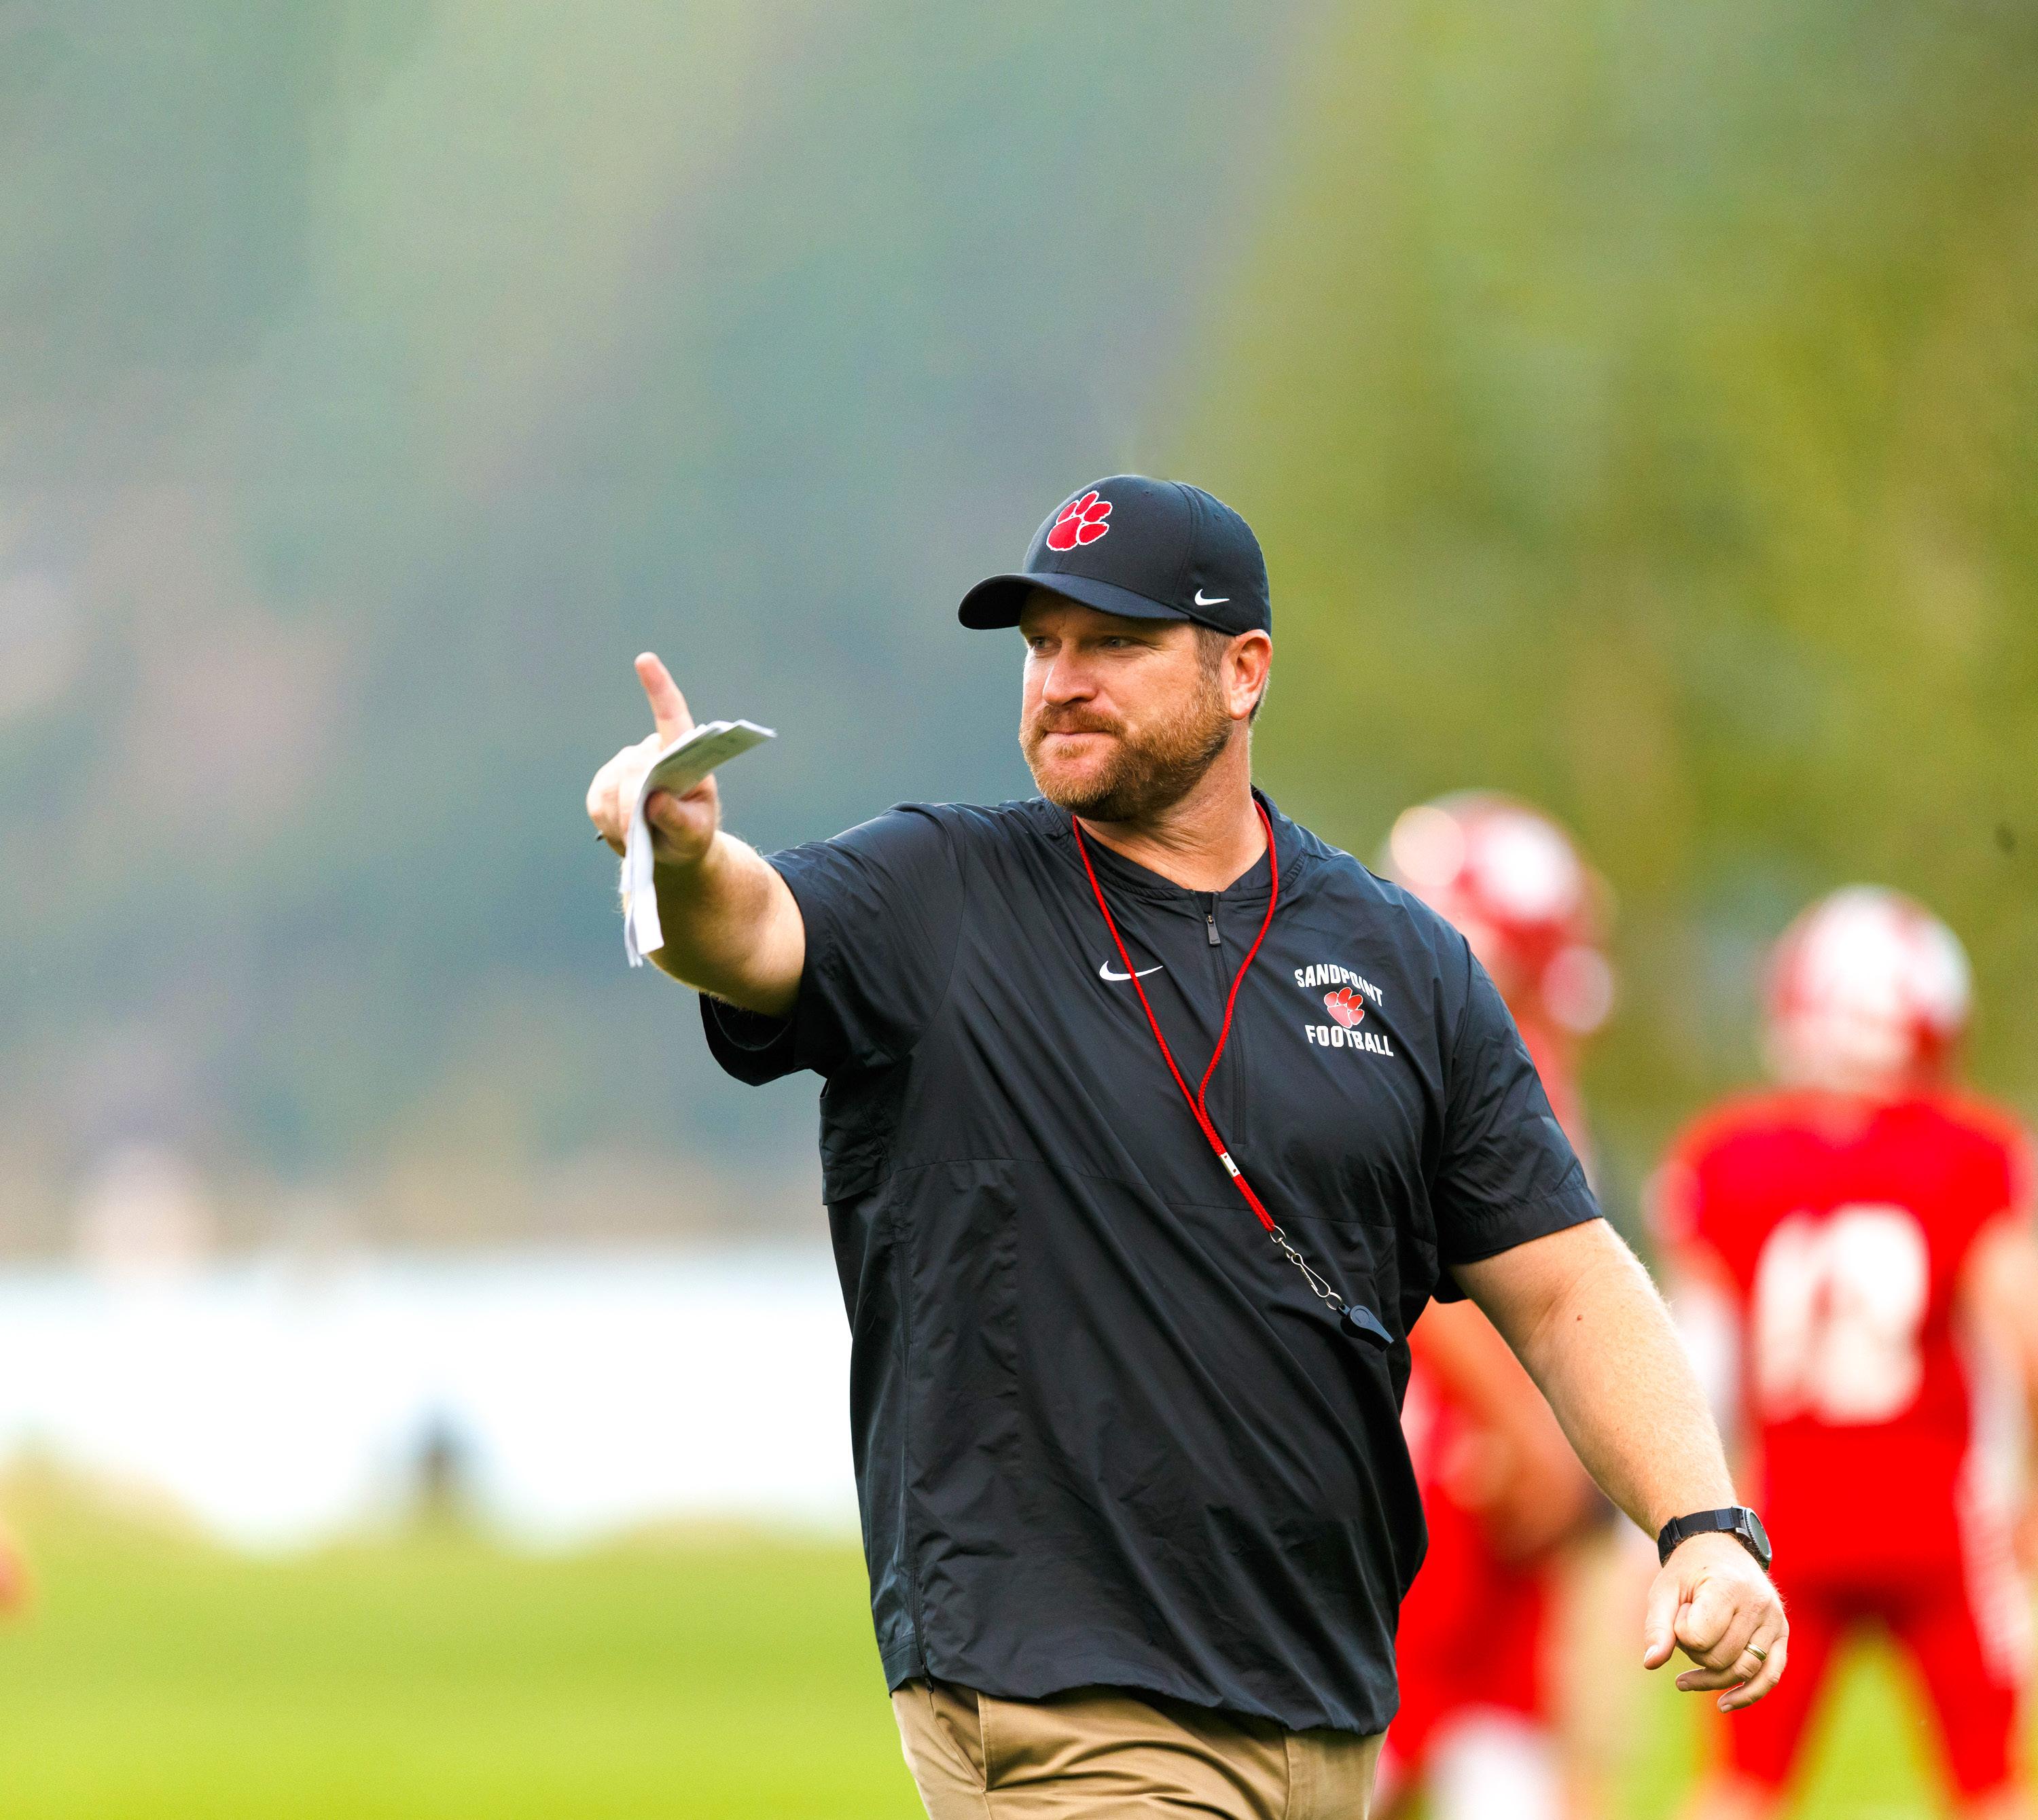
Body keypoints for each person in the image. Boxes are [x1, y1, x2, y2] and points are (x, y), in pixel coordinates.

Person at [586, 476, 1787, 1819]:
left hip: (1327, 1712)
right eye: (1042, 645)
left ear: (1243, 672)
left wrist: (1702, 1523)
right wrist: (677, 857)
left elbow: (1567, 1283)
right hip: (1062, 1699)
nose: (1062, 679)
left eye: (1114, 642)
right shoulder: (938, 893)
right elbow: (753, 930)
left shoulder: (1402, 960)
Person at [1658, 886, 2038, 1819]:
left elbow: (1689, 1367)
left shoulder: (1728, 1158)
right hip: (1938, 1515)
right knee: (1992, 1786)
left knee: (1741, 1785)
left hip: (1785, 1515)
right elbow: (2026, 1339)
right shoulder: (1969, 1153)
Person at [1374, 794, 1621, 1820]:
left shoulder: (1405, 1043)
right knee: (1362, 1749)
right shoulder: (1450, 1057)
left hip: (1470, 1454)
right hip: (1435, 1451)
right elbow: (1422, 1276)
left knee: (1489, 1740)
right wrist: (1540, 1432)